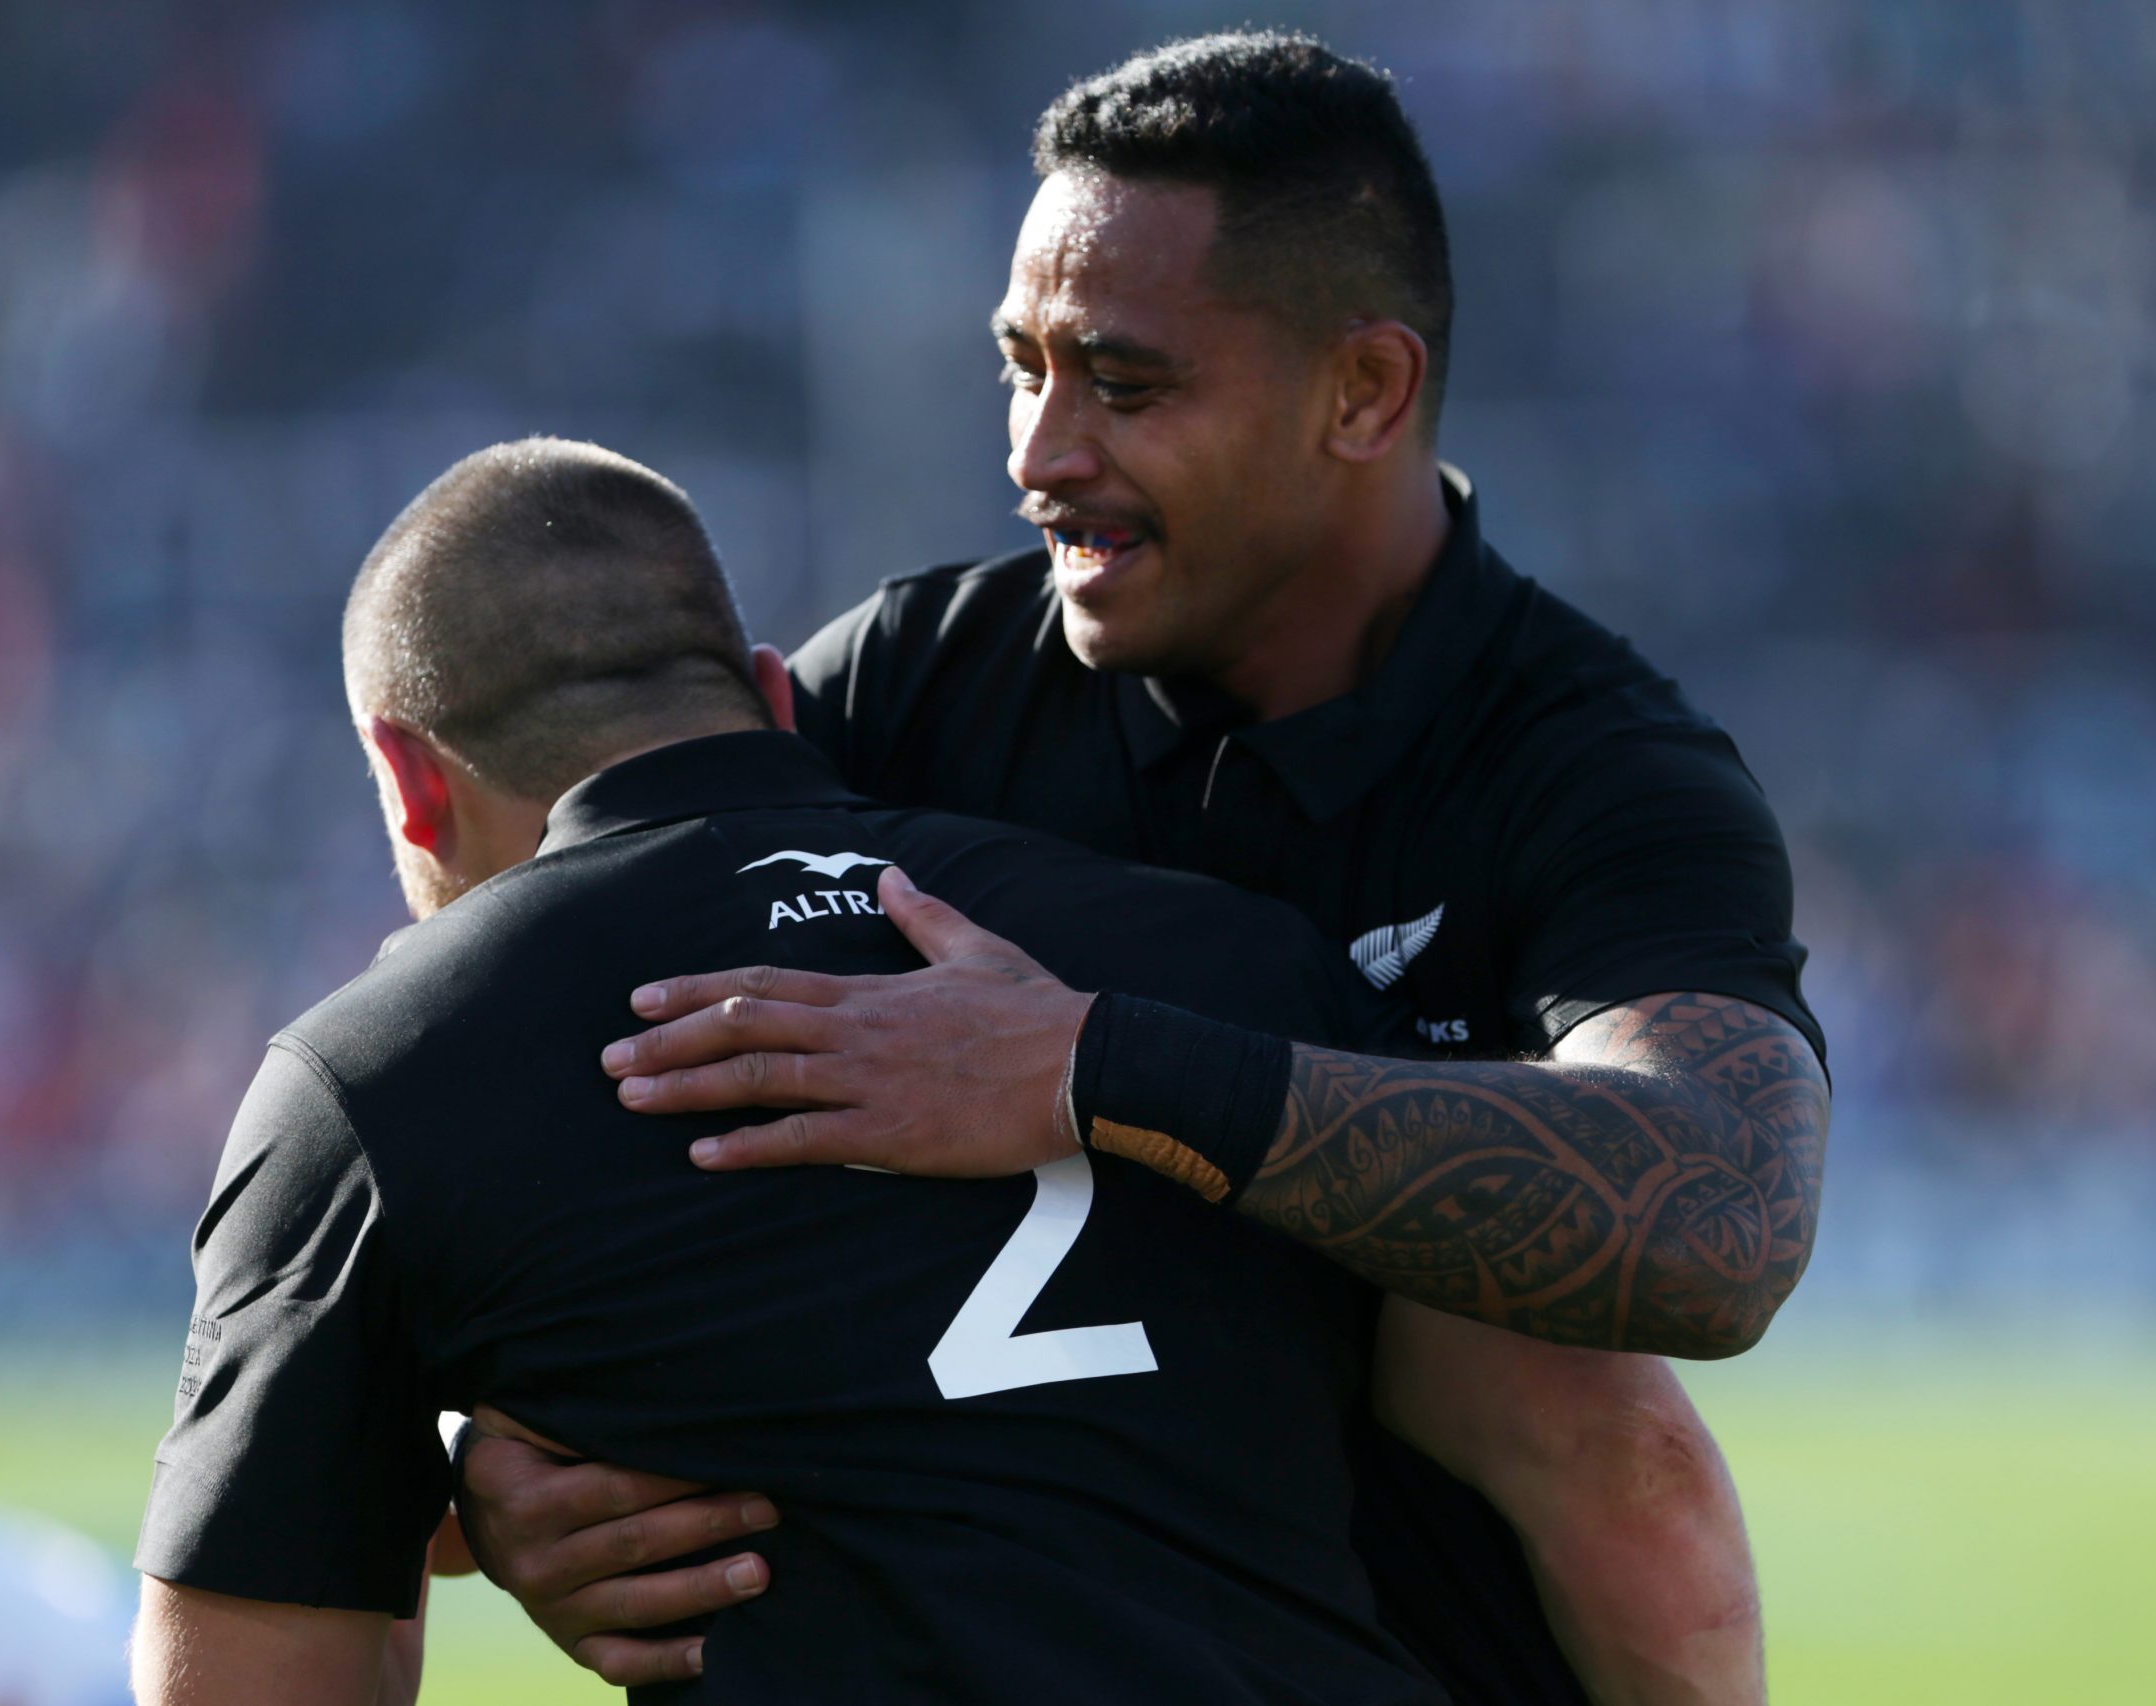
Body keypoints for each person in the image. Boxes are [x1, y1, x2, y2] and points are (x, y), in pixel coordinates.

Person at [464, 31, 1829, 1706]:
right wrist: (486, 1452)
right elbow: (535, 1037)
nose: (1041, 452)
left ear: (1366, 391)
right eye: (1020, 369)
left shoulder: (1595, 771)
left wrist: (1096, 1073)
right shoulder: (906, 688)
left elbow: (1721, 1210)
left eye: (1123, 383)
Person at [129, 437, 1500, 1704]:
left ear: (408, 779)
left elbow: (246, 1678)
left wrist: (420, 1487)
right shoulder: (1240, 953)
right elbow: (1616, 1467)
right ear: (777, 696)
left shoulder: (387, 1068)